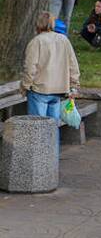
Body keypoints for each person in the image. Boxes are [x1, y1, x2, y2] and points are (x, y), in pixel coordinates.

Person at [21, 12, 80, 155]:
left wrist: (25, 85)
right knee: (53, 129)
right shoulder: (64, 40)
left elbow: (30, 67)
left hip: (39, 89)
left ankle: (37, 160)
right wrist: (74, 85)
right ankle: (51, 159)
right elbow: (73, 65)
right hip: (59, 90)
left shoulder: (36, 41)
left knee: (37, 128)